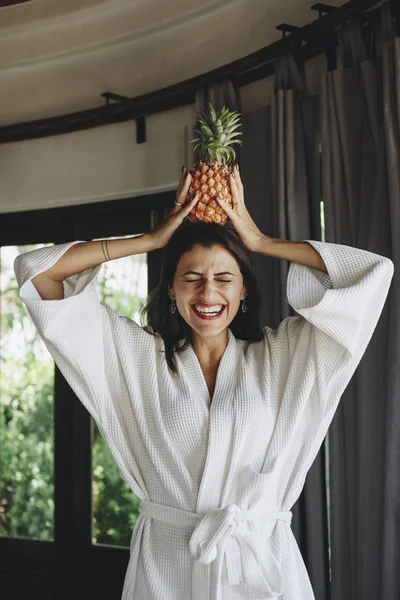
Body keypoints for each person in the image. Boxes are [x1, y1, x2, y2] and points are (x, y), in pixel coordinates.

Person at [14, 165, 394, 600]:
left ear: (243, 292)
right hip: (167, 571)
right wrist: (150, 240)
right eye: (191, 279)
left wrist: (260, 241)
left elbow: (370, 274)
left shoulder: (284, 358)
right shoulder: (138, 360)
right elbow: (38, 273)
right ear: (172, 291)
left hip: (259, 570)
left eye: (224, 278)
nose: (207, 293)